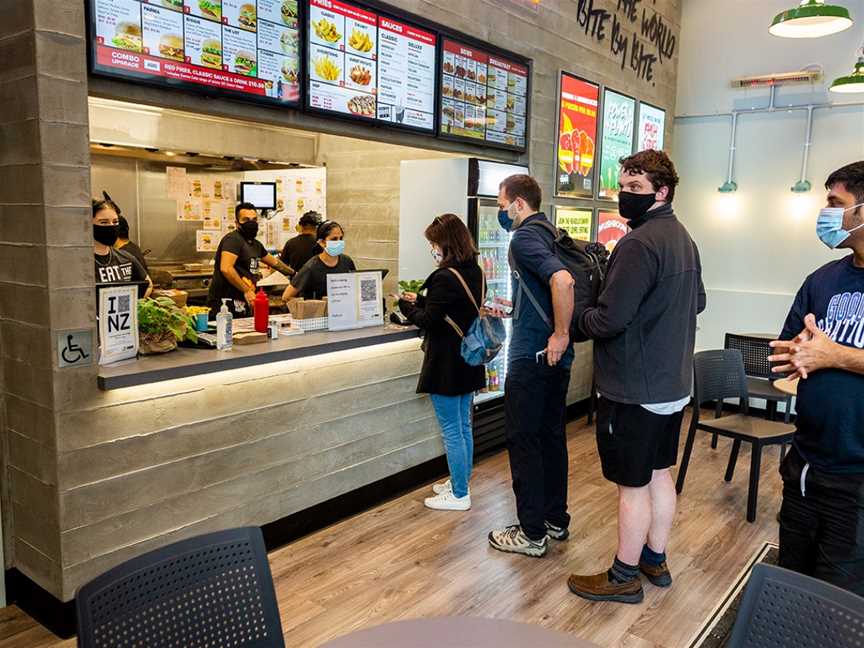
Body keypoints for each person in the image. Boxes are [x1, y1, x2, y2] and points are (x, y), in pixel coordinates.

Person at [567, 150, 705, 604]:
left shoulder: (638, 244)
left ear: (661, 192)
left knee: (633, 484)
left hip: (635, 386)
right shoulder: (683, 237)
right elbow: (697, 301)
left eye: (635, 189)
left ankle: (623, 574)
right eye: (622, 188)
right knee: (659, 473)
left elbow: (608, 321)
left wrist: (577, 315)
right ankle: (655, 559)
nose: (625, 196)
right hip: (672, 384)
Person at [768, 161, 864, 596]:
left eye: (835, 203)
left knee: (837, 603)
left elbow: (830, 354)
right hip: (805, 466)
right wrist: (796, 353)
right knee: (792, 585)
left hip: (857, 482)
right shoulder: (822, 280)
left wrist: (835, 355)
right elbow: (789, 347)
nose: (825, 213)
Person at [486, 174, 575, 558]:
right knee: (552, 439)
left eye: (501, 203)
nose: (500, 211)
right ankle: (555, 520)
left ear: (518, 204)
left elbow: (562, 280)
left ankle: (531, 532)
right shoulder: (549, 230)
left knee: (524, 442)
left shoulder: (523, 237)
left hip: (533, 357)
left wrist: (559, 333)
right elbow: (543, 289)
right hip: (555, 360)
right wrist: (514, 308)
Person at [398, 214, 486, 511]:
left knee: (452, 429)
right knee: (463, 426)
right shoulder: (475, 271)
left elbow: (429, 320)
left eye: (433, 244)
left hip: (447, 361)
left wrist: (406, 307)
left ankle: (459, 494)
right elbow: (452, 309)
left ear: (445, 245)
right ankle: (460, 481)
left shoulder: (444, 277)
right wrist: (423, 301)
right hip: (469, 359)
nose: (432, 249)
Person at [207, 202, 294, 319]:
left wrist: (294, 274)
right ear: (237, 224)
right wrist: (247, 290)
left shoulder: (255, 244)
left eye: (254, 219)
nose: (251, 223)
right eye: (246, 220)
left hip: (242, 303)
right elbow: (226, 268)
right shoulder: (233, 240)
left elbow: (275, 263)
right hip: (224, 304)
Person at [282, 220, 356, 301]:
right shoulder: (311, 267)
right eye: (334, 239)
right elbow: (286, 296)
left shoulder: (347, 262)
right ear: (322, 242)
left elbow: (356, 289)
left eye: (341, 238)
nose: (338, 242)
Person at [92, 199, 152, 299]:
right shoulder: (81, 264)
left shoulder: (126, 258)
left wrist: (129, 305)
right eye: (104, 222)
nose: (111, 226)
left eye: (115, 222)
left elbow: (148, 285)